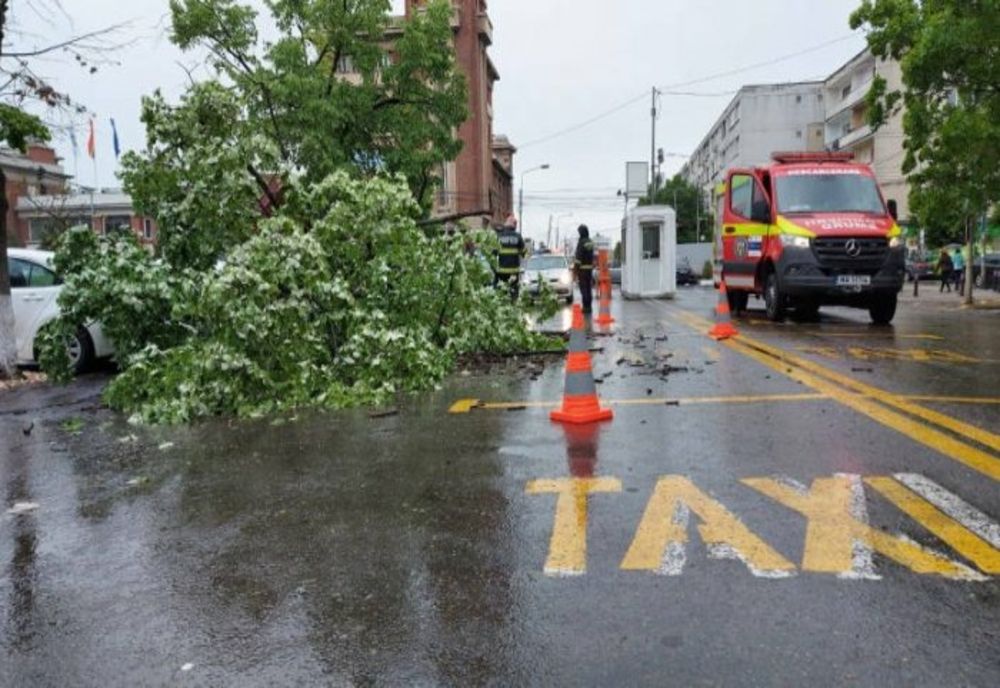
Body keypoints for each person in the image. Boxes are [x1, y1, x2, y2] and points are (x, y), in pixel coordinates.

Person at [494, 214, 526, 300]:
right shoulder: (518, 236)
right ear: (514, 225)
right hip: (514, 272)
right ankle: (513, 307)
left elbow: (493, 253)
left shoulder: (499, 236)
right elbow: (524, 253)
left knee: (501, 293)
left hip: (502, 272)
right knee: (514, 294)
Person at [573, 224, 596, 314]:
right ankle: (589, 307)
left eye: (579, 232)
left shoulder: (581, 242)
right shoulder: (590, 241)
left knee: (584, 289)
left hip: (582, 270)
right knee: (589, 288)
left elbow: (578, 257)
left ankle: (585, 308)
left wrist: (575, 270)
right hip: (589, 269)